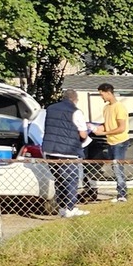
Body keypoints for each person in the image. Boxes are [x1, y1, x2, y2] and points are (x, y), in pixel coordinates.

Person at [39, 88, 87, 216]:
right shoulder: (76, 112)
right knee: (71, 179)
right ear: (74, 99)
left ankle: (61, 208)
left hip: (49, 150)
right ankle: (70, 208)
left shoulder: (50, 109)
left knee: (59, 179)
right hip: (67, 152)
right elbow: (83, 133)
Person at [98, 80, 132, 201]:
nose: (101, 96)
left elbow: (121, 128)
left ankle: (122, 194)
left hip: (120, 142)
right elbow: (108, 124)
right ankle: (120, 192)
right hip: (111, 141)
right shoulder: (106, 108)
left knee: (118, 167)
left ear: (108, 93)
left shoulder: (119, 107)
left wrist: (104, 132)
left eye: (102, 94)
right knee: (114, 167)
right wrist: (97, 128)